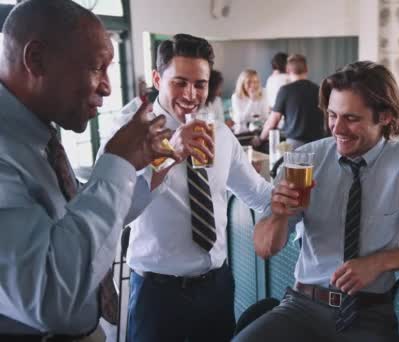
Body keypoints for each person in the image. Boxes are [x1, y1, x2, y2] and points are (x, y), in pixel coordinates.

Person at [234, 61, 399, 342]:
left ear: (384, 116)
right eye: (332, 115)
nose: (337, 128)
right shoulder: (306, 159)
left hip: (369, 313)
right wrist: (277, 215)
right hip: (303, 305)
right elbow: (265, 249)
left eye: (351, 118)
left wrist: (377, 263)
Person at [0, 0, 176, 338]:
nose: (108, 87)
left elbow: (78, 228)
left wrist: (149, 172)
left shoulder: (39, 139)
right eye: (97, 67)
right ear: (36, 59)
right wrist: (118, 163)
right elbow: (52, 296)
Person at [104, 34, 272, 342]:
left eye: (200, 84)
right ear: (157, 78)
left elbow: (259, 195)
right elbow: (117, 214)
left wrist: (295, 200)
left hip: (217, 287)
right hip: (158, 292)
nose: (192, 94)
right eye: (180, 82)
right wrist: (170, 155)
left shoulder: (220, 135)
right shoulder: (128, 132)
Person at [255, 54, 326, 150]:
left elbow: (273, 121)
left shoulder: (285, 90)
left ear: (288, 70)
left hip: (296, 145)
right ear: (306, 69)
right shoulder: (318, 89)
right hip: (320, 144)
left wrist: (260, 139)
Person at [231, 69, 269, 134]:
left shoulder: (264, 92)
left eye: (255, 81)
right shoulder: (236, 97)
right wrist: (252, 101)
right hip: (242, 131)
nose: (253, 85)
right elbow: (240, 120)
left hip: (261, 130)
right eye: (249, 82)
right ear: (242, 83)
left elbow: (265, 116)